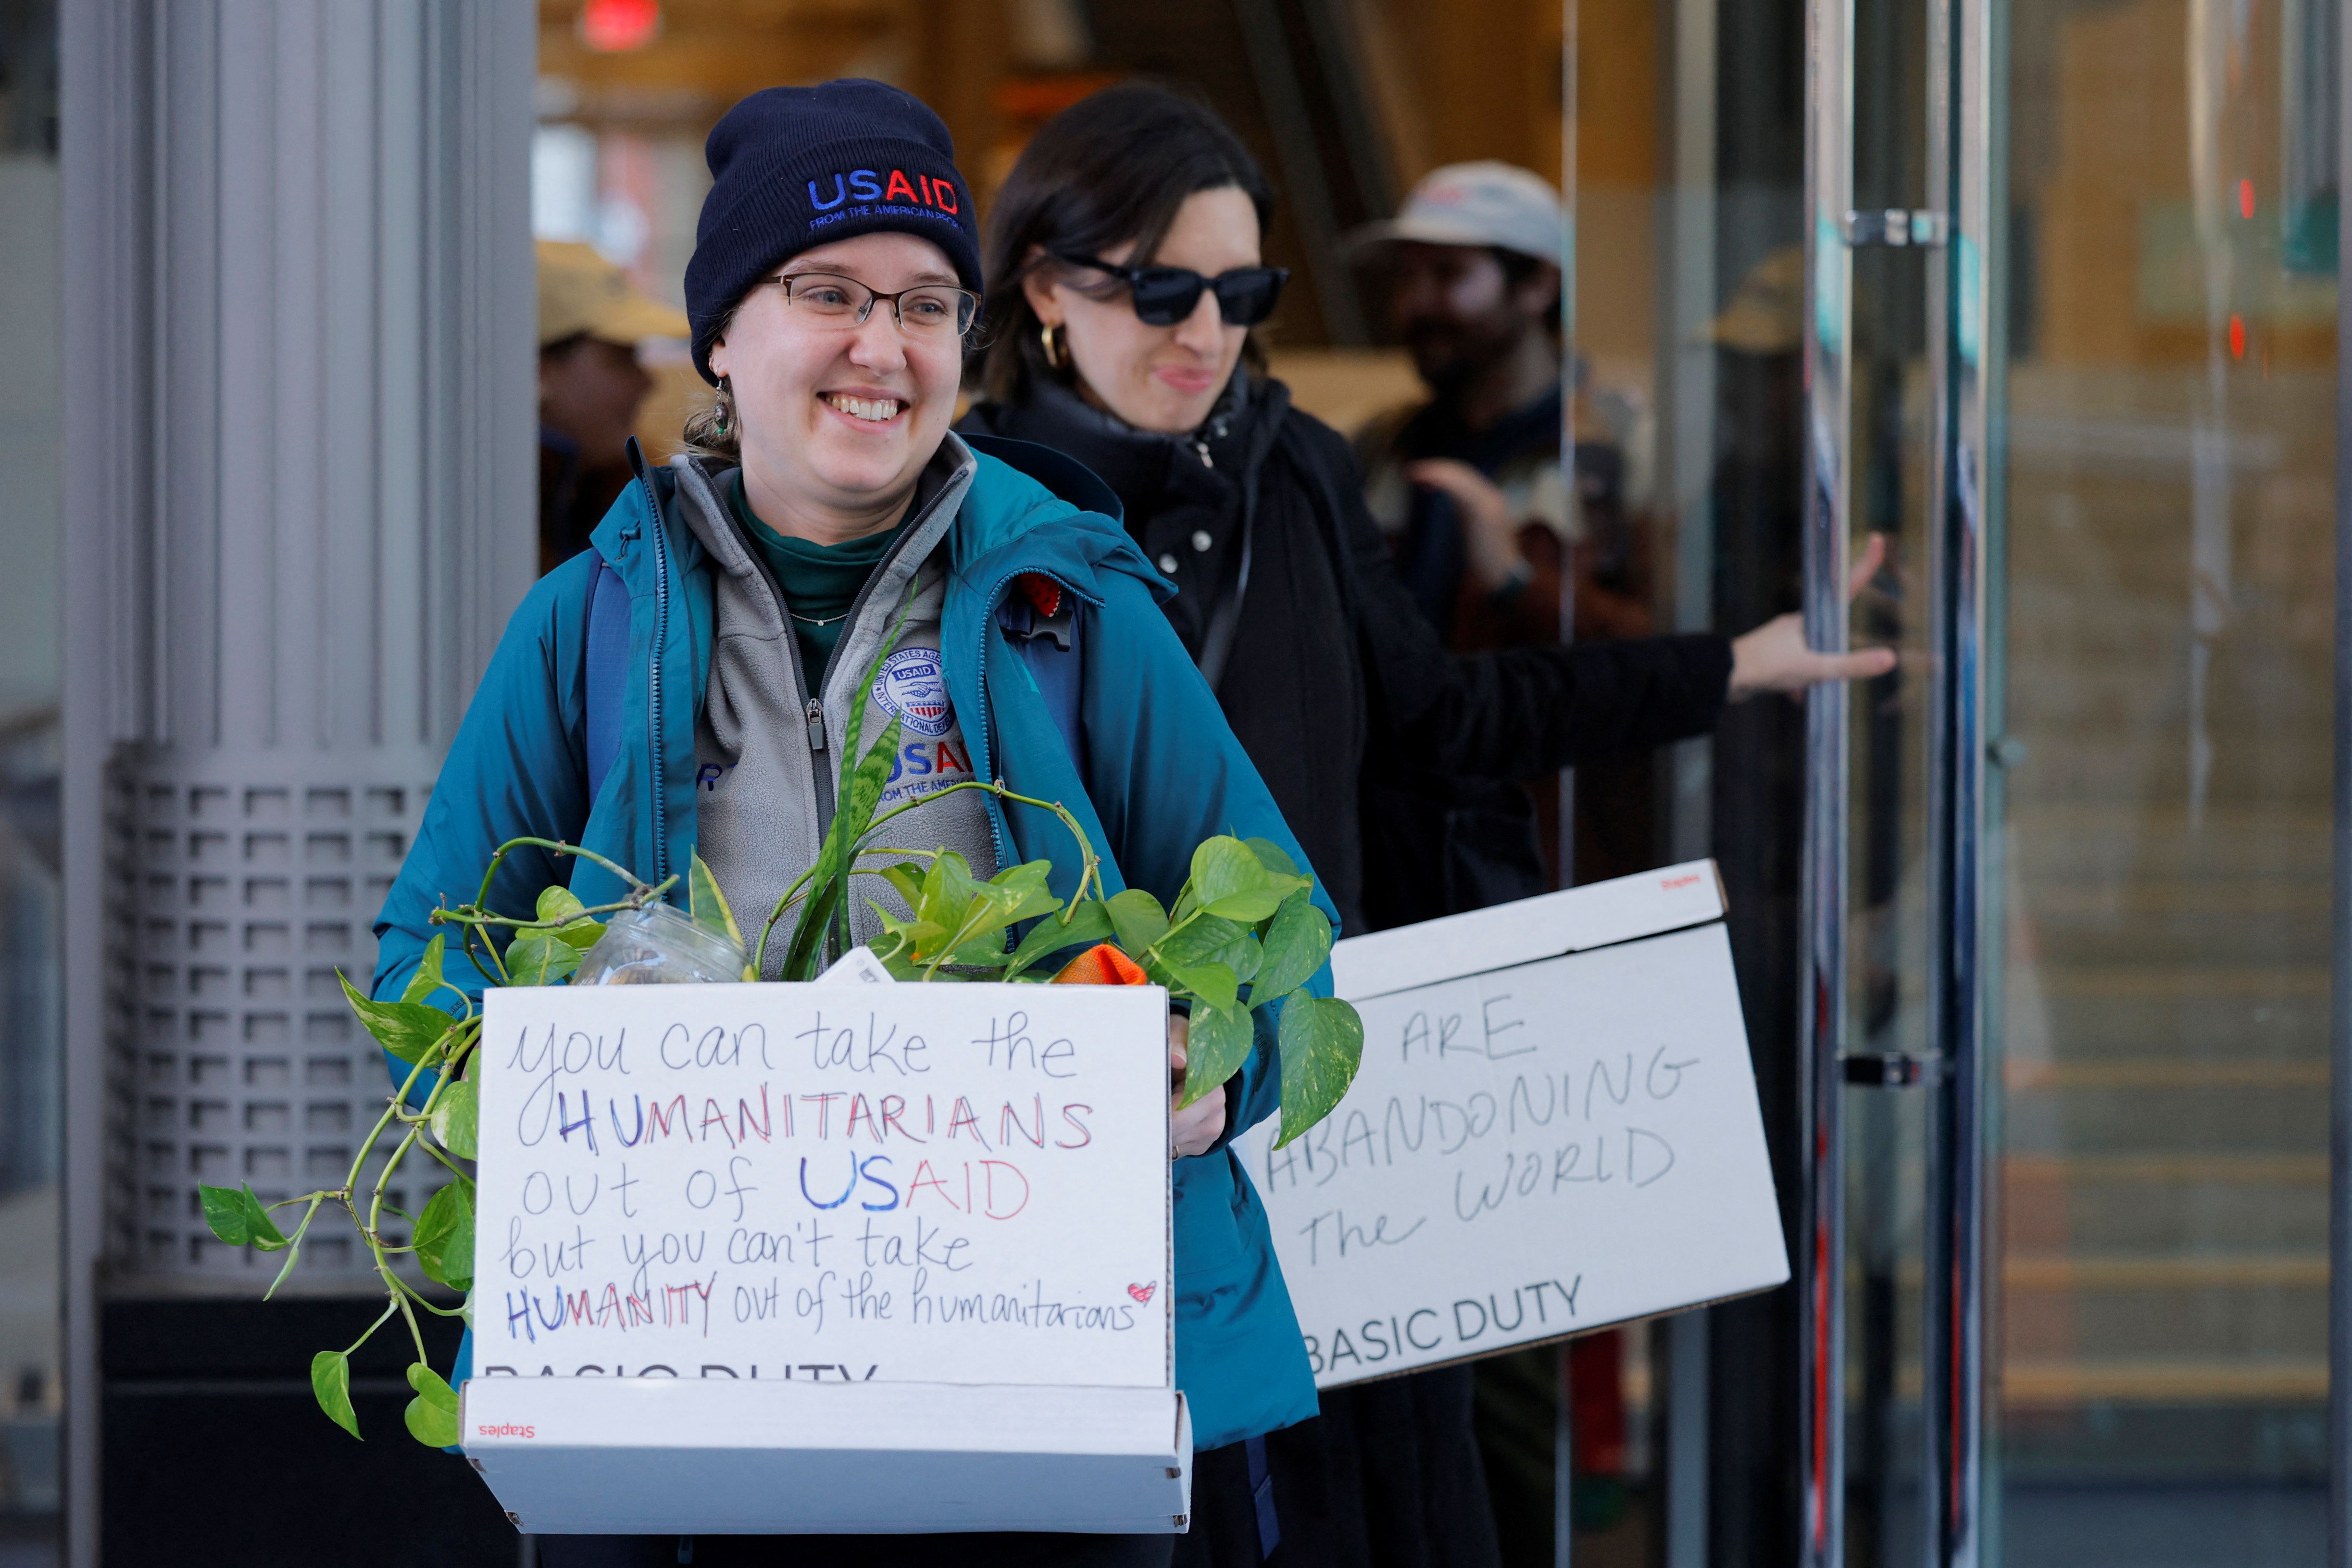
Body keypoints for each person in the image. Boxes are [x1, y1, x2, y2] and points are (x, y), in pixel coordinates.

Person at [375, 80, 1338, 1567]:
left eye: (925, 303)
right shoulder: (589, 626)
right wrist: (535, 1077)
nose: (879, 347)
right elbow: (422, 957)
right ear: (718, 333)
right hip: (679, 1396)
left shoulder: (1067, 610)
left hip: (1034, 1397)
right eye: (824, 292)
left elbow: (1281, 934)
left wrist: (1208, 1070)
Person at [956, 84, 1892, 1567]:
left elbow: (1440, 721)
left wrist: (1731, 664)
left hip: (1316, 1129)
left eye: (1243, 292)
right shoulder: (969, 515)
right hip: (1071, 1146)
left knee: (1381, 1511)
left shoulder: (1293, 466)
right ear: (1044, 288)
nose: (1206, 333)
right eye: (1162, 290)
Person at [536, 238, 689, 573]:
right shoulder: (488, 522)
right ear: (540, 369)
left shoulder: (602, 494)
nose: (647, 381)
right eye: (621, 357)